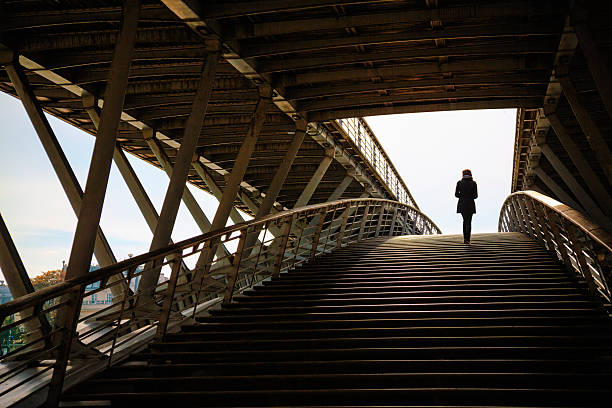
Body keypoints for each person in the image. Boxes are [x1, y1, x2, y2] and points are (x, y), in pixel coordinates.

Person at [455, 169, 478, 244]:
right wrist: (469, 196)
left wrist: (462, 196)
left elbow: (456, 194)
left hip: (462, 204)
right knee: (469, 221)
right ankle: (468, 239)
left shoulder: (459, 183)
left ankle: (465, 239)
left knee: (465, 221)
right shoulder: (473, 183)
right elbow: (475, 196)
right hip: (470, 204)